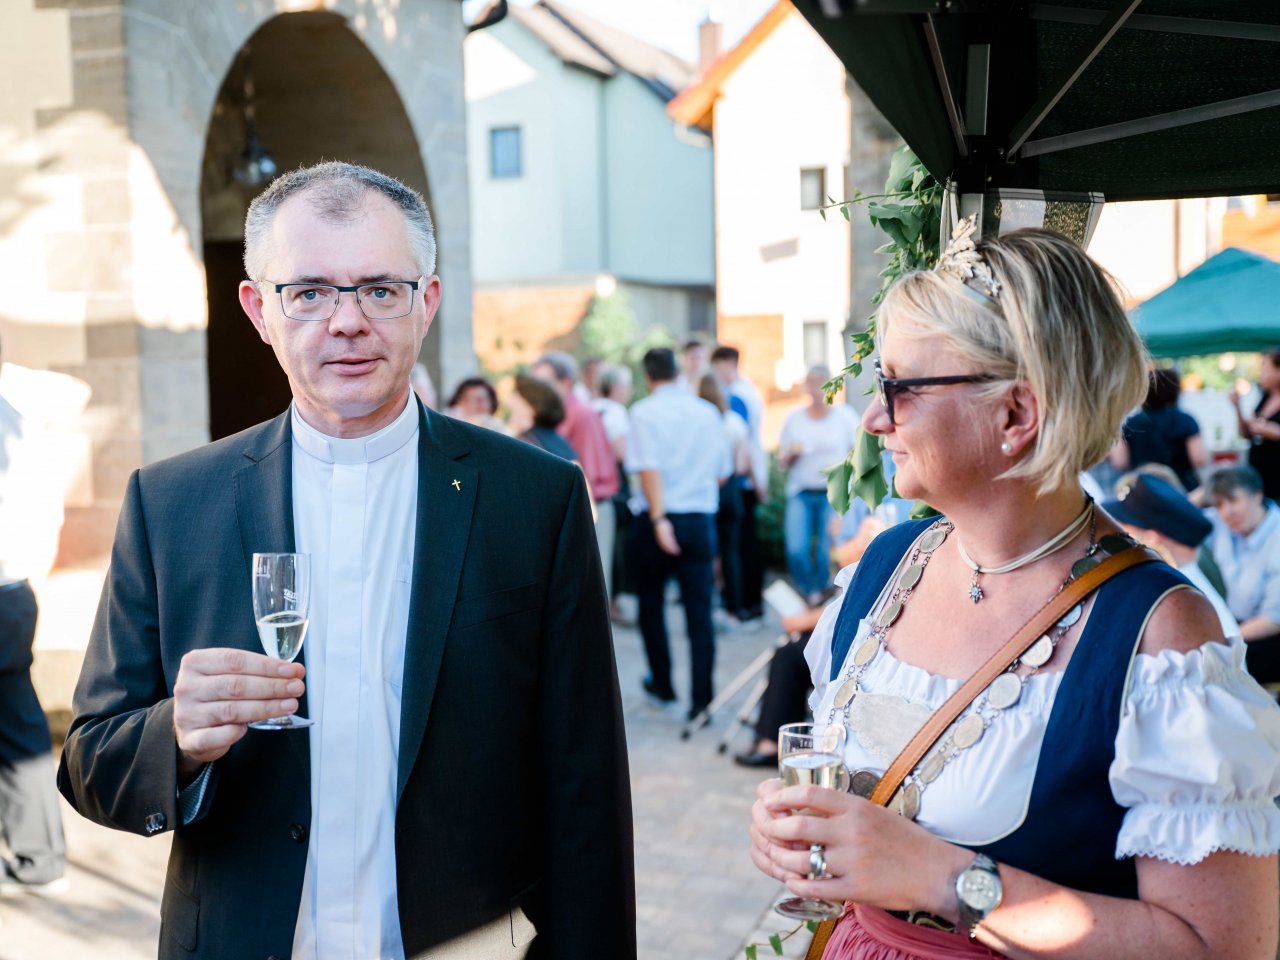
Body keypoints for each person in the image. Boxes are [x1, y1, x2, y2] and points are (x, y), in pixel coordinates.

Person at [57, 162, 634, 960]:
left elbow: (586, 785)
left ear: (426, 302)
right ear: (260, 309)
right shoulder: (171, 504)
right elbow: (91, 761)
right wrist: (177, 737)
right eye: (311, 291)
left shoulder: (536, 500)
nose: (348, 321)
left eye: (380, 289)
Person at [749, 220, 1280, 959]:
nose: (872, 418)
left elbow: (1218, 948)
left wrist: (938, 876)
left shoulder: (1161, 634)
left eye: (898, 388)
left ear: (1015, 414)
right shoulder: (882, 571)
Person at [626, 348, 730, 720]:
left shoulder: (642, 412)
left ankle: (664, 685)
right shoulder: (706, 412)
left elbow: (647, 467)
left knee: (651, 605)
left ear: (648, 376)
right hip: (699, 518)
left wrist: (658, 520)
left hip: (658, 518)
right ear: (676, 372)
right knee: (699, 612)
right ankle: (702, 702)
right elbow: (722, 471)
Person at [0, 335, 68, 897]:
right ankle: (42, 860)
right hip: (15, 588)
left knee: (19, 724)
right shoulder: (17, 412)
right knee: (20, 724)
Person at [1103, 472, 1239, 642]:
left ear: (1152, 539)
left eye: (1125, 531)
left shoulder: (1181, 603)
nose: (1118, 536)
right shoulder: (1187, 578)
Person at [532, 352, 620, 597]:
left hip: (592, 509)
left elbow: (589, 473)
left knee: (591, 594)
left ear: (566, 383)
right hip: (574, 509)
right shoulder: (555, 414)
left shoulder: (580, 415)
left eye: (543, 382)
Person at [779, 366, 860, 604]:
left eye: (821, 383)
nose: (816, 389)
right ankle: (808, 591)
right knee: (796, 548)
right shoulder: (794, 418)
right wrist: (791, 456)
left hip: (832, 493)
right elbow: (782, 461)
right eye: (811, 383)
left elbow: (858, 455)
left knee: (828, 550)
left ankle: (824, 595)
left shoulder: (845, 417)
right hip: (801, 491)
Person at [1204, 465, 1280, 682]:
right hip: (1230, 624)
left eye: (1233, 500)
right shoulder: (1219, 523)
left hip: (1264, 636)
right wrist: (1207, 487)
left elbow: (1273, 620)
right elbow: (1173, 516)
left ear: (1257, 496)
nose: (1227, 511)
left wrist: (1222, 640)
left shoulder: (1276, 538)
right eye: (1219, 504)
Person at [712, 345, 768, 620]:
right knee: (745, 544)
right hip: (747, 477)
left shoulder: (736, 397)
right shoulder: (747, 392)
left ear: (728, 364)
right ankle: (748, 602)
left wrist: (757, 480)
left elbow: (745, 447)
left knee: (742, 546)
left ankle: (746, 603)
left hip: (741, 479)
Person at [696, 373, 752, 625]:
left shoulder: (699, 421)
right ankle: (733, 610)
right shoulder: (733, 422)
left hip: (703, 490)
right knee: (731, 552)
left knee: (706, 553)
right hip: (729, 491)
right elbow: (741, 465)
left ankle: (706, 607)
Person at [1109, 367, 1207, 493]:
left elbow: (1120, 461)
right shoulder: (1185, 420)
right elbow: (1199, 459)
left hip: (1143, 489)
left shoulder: (1131, 423)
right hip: (1181, 489)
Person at [1232, 347, 1280, 502]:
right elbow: (1246, 433)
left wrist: (1271, 431)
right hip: (1260, 477)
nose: (1261, 374)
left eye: (1265, 368)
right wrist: (1237, 407)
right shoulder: (1265, 397)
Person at [508, 372, 580, 463]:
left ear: (532, 406)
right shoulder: (561, 442)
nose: (511, 401)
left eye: (519, 395)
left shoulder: (524, 444)